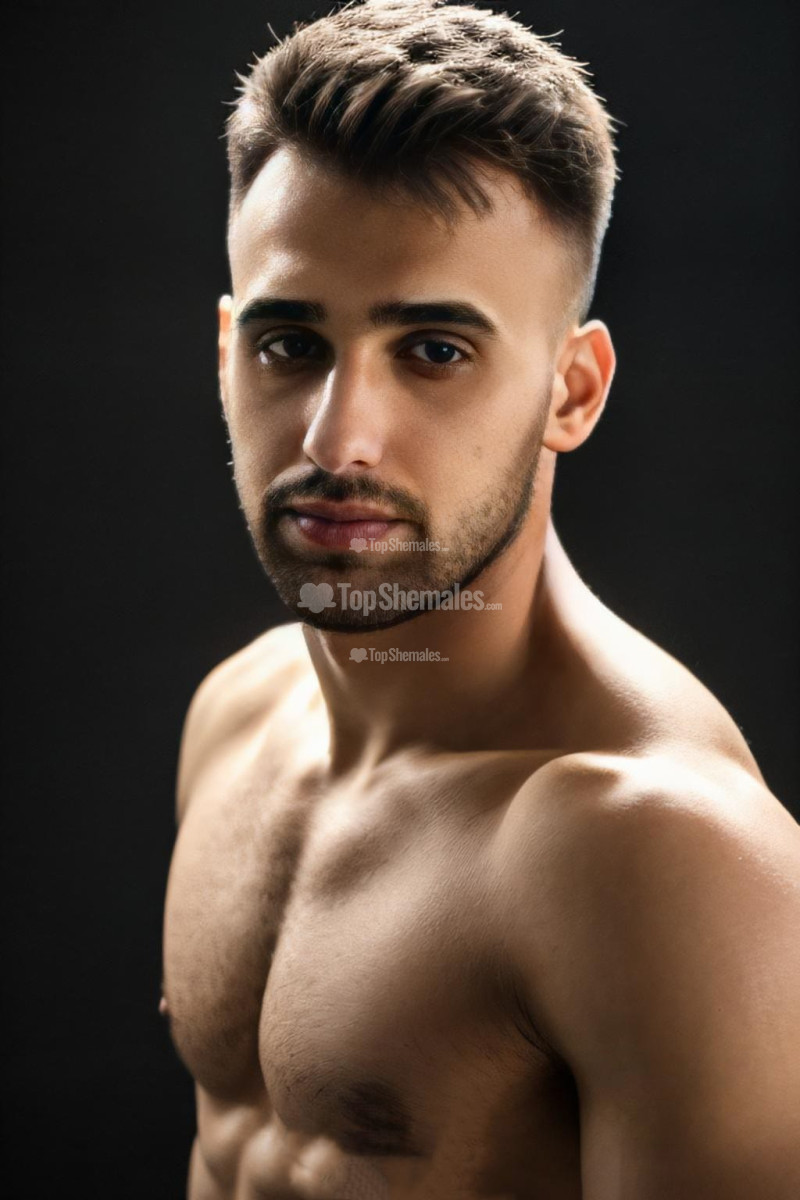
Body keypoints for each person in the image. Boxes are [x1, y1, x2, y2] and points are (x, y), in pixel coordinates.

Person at [160, 1, 800, 1196]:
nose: (336, 440)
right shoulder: (237, 717)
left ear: (572, 391)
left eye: (434, 351)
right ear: (226, 352)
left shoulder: (657, 854)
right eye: (290, 344)